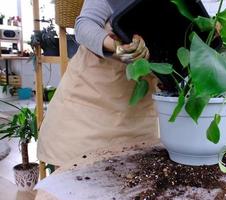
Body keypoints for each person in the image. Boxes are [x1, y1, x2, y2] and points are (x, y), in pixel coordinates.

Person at [37, 0, 159, 166]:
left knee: (136, 177)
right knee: (75, 182)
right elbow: (85, 25)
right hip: (88, 107)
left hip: (138, 116)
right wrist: (117, 48)